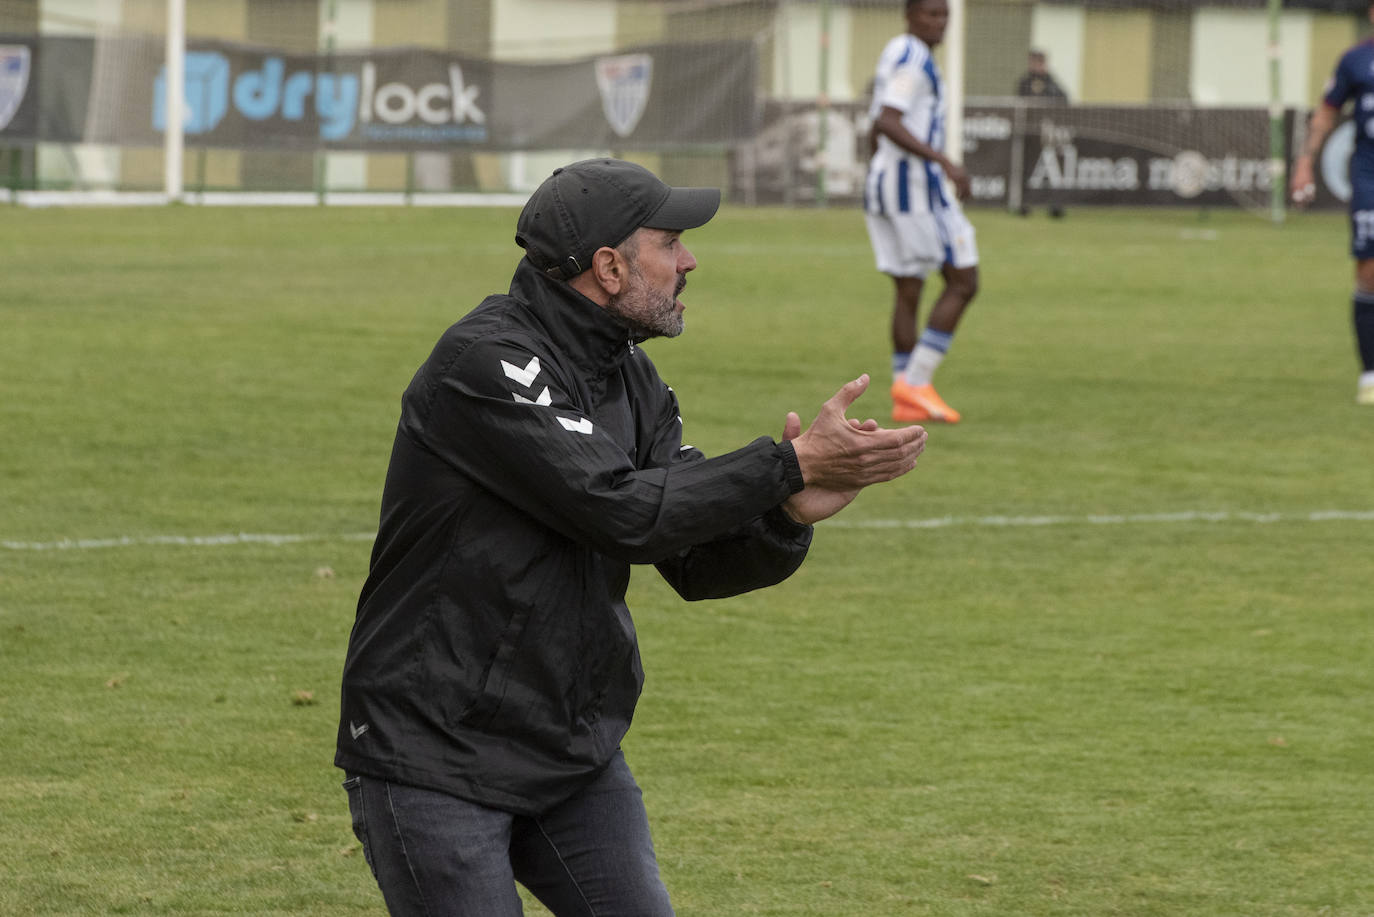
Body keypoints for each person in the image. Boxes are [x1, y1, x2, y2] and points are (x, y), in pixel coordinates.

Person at [335, 158, 929, 916]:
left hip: (569, 751)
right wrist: (782, 463)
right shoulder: (489, 363)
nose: (689, 261)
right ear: (610, 267)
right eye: (671, 241)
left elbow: (688, 553)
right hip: (431, 752)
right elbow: (616, 507)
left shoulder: (633, 380)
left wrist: (786, 511)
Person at [864, 0, 979, 425]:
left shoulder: (896, 51)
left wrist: (873, 169)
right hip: (914, 190)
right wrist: (945, 162)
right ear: (909, 15)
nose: (940, 22)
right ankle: (916, 381)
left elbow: (877, 124)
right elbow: (889, 120)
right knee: (964, 280)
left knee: (909, 288)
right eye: (931, 14)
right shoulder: (913, 58)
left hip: (888, 186)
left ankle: (905, 394)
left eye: (944, 14)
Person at [1289, 0, 1374, 405]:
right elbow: (1325, 113)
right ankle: (1371, 375)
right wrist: (1305, 161)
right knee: (1370, 271)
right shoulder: (1355, 61)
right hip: (1370, 175)